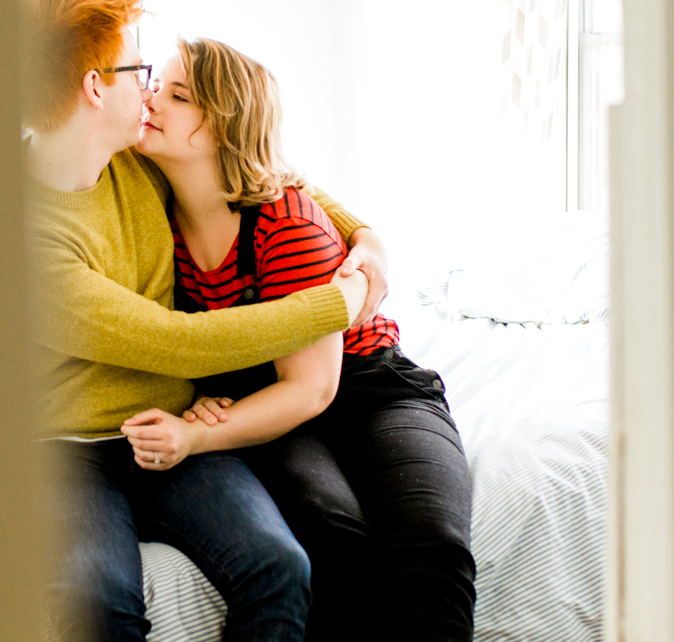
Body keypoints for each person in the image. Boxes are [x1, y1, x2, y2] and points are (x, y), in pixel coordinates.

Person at [23, 0, 386, 642]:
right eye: (138, 70)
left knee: (279, 566)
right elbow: (178, 342)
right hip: (67, 449)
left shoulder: (135, 157)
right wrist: (341, 301)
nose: (151, 89)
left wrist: (364, 233)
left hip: (170, 426)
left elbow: (255, 164)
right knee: (97, 600)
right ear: (96, 87)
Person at [120, 38, 477, 642]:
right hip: (272, 400)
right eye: (158, 85)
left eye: (177, 96)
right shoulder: (150, 204)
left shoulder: (285, 223)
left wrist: (198, 434)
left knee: (433, 547)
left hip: (369, 387)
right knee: (335, 534)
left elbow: (314, 389)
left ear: (226, 131)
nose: (151, 99)